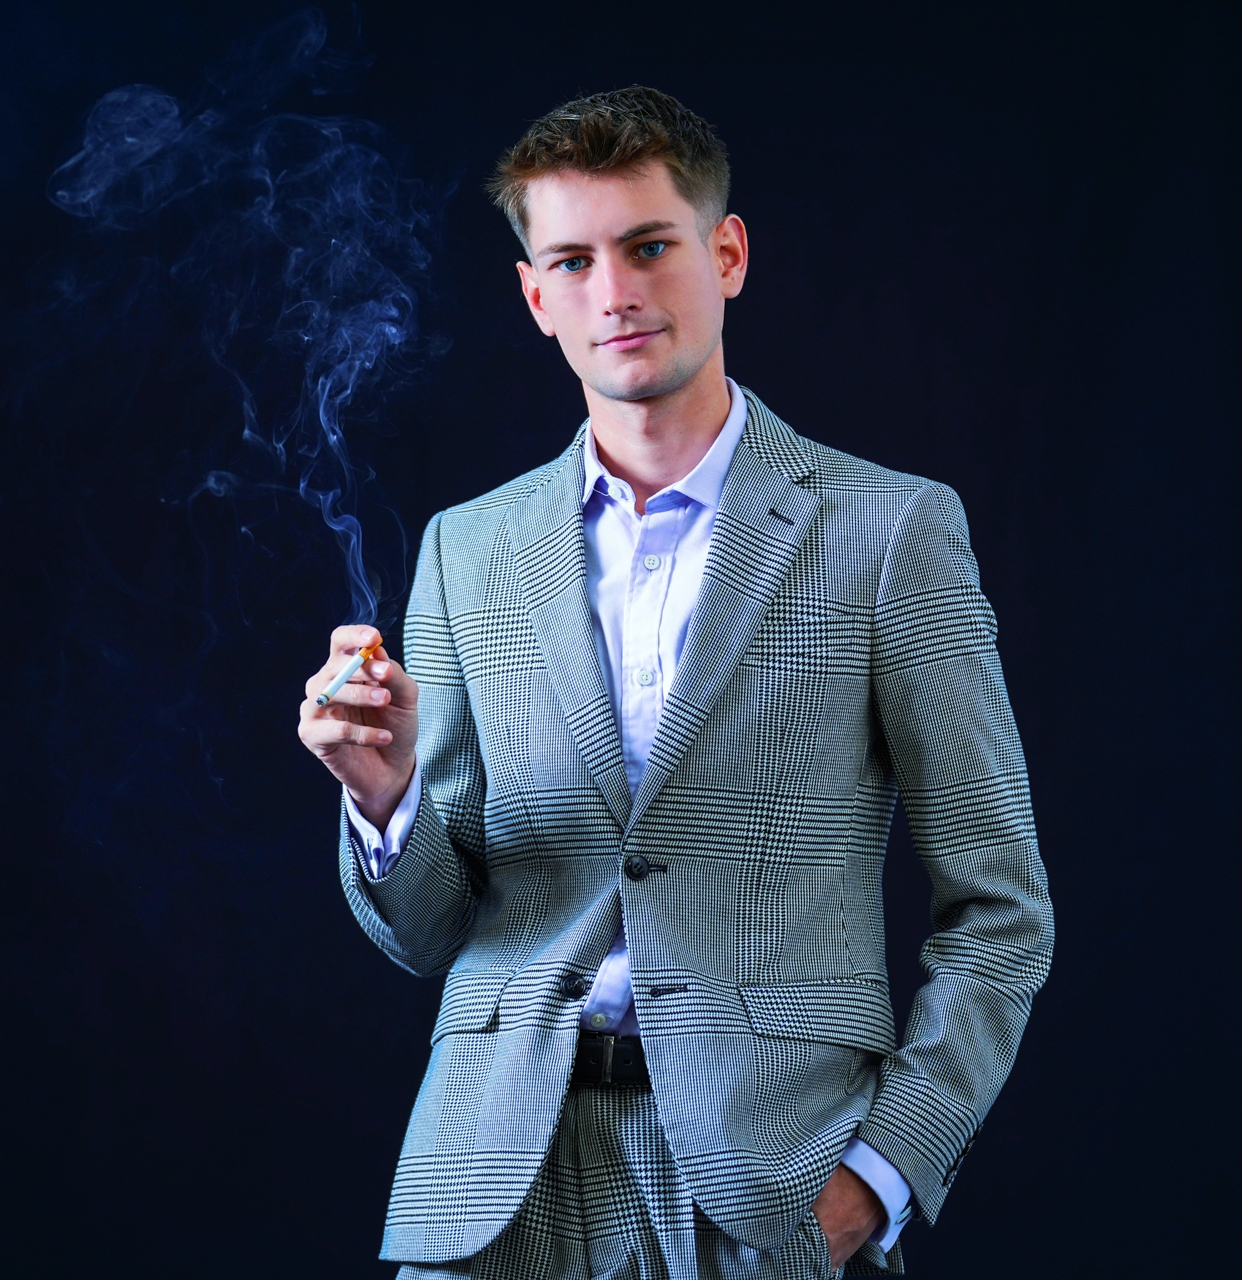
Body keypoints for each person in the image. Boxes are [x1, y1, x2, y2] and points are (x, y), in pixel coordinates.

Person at [296, 86, 1053, 1279]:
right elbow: (431, 928)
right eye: (573, 260)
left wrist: (880, 1177)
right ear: (536, 297)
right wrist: (382, 796)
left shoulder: (889, 531)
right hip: (491, 1184)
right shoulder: (467, 549)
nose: (616, 291)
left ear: (727, 254)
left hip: (770, 1183)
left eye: (649, 245)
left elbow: (1001, 909)